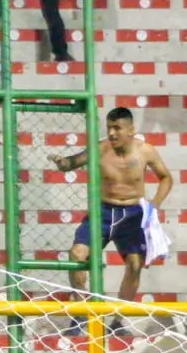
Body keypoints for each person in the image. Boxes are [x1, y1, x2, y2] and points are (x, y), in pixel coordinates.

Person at [52, 107, 173, 327]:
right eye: (109, 128)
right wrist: (61, 162)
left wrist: (155, 204)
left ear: (131, 130)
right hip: (103, 212)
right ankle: (81, 314)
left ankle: (118, 320)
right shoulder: (100, 149)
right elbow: (72, 162)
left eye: (117, 128)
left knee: (135, 265)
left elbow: (166, 178)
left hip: (133, 214)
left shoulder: (145, 151)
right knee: (77, 254)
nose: (112, 133)